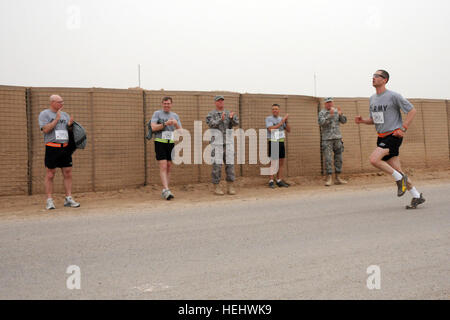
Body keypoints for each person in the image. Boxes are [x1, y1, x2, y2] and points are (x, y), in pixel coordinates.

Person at [355, 70, 425, 209]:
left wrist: (403, 128)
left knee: (374, 159)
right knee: (398, 169)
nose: (373, 78)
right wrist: (363, 121)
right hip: (381, 136)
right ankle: (417, 196)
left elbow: (412, 110)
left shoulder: (394, 96)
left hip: (393, 135)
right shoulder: (372, 98)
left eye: (377, 76)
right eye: (373, 76)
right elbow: (375, 120)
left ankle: (399, 180)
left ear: (385, 79)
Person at [38, 95, 80, 210]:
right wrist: (56, 119)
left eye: (63, 101)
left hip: (65, 148)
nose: (62, 103)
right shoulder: (44, 114)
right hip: (52, 147)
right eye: (60, 102)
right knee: (50, 174)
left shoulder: (65, 115)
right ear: (52, 102)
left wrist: (70, 125)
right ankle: (49, 200)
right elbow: (45, 130)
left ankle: (68, 198)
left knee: (68, 173)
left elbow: (68, 130)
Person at [206, 95, 239, 195]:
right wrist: (221, 119)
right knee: (217, 166)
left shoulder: (229, 113)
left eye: (222, 101)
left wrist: (232, 118)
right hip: (217, 144)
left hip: (228, 143)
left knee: (230, 166)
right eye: (218, 101)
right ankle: (217, 187)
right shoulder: (211, 114)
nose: (220, 102)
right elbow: (211, 124)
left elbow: (236, 123)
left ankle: (230, 187)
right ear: (215, 103)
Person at [150, 97, 182, 200]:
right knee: (163, 165)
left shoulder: (175, 115)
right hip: (160, 142)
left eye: (168, 103)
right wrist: (165, 124)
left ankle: (165, 189)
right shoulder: (157, 114)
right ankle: (166, 189)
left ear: (171, 104)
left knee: (169, 166)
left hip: (170, 142)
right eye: (164, 103)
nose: (166, 105)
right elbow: (153, 127)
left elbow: (181, 132)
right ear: (162, 104)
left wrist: (176, 123)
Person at [318, 97, 348, 186]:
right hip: (327, 139)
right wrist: (330, 116)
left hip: (337, 138)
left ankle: (338, 177)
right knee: (328, 159)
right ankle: (329, 178)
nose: (329, 104)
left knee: (339, 158)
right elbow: (321, 123)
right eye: (328, 103)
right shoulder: (322, 113)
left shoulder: (336, 111)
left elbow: (344, 121)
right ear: (325, 104)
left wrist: (341, 114)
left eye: (331, 102)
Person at [265, 104, 291, 188]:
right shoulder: (269, 119)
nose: (275, 110)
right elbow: (271, 129)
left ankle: (279, 180)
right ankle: (271, 180)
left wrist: (286, 121)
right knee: (273, 162)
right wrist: (282, 122)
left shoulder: (281, 119)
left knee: (281, 162)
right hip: (274, 140)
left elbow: (288, 130)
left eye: (276, 109)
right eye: (273, 109)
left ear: (279, 110)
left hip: (281, 140)